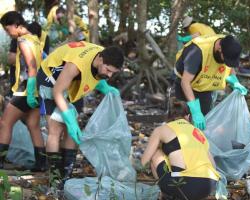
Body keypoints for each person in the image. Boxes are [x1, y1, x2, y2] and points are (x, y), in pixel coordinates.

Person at [36, 41, 124, 180]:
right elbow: (57, 92)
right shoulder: (76, 64)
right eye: (108, 70)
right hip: (51, 78)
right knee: (56, 128)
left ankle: (66, 174)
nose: (110, 75)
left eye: (113, 73)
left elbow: (93, 74)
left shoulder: (104, 56)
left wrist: (104, 86)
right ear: (100, 59)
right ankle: (54, 177)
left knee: (73, 131)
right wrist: (67, 117)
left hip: (73, 82)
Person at [141, 101, 220, 200]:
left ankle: (165, 194)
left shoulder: (162, 129)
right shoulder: (198, 132)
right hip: (208, 185)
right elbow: (213, 165)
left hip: (183, 186)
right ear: (187, 116)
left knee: (156, 153)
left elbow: (144, 161)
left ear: (169, 116)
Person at [0, 11, 46, 171]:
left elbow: (32, 66)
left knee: (5, 123)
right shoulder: (35, 39)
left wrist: (30, 90)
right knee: (33, 125)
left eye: (7, 30)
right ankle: (42, 164)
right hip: (37, 89)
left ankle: (0, 161)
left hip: (26, 89)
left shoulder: (22, 40)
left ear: (17, 25)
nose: (8, 33)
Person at [174, 34, 248, 130]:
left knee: (204, 122)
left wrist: (234, 81)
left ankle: (198, 143)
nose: (226, 63)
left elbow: (229, 67)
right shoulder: (197, 52)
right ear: (219, 48)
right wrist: (195, 110)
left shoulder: (229, 46)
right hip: (184, 84)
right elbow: (185, 82)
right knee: (179, 121)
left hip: (204, 86)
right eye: (225, 59)